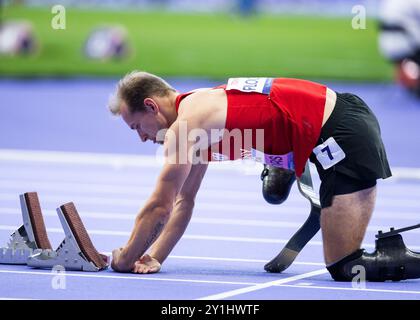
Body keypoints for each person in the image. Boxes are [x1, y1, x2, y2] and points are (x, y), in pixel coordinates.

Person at [107, 71, 407, 281]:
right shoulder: (195, 111)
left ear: (151, 106)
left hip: (342, 134)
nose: (142, 138)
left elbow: (160, 206)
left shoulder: (186, 126)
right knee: (272, 186)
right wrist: (155, 256)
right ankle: (284, 159)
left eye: (137, 128)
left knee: (346, 267)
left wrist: (125, 258)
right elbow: (183, 201)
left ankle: (285, 160)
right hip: (330, 122)